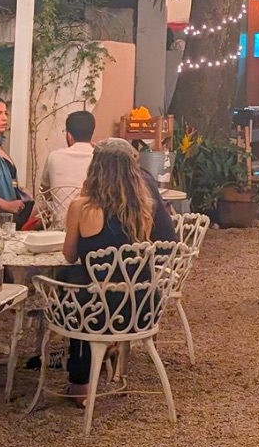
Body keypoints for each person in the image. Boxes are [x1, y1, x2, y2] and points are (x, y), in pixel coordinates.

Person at [56, 137, 175, 403]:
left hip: (97, 312)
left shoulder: (81, 206)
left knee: (73, 283)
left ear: (95, 169)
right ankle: (110, 349)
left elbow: (69, 255)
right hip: (141, 307)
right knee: (88, 287)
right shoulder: (146, 207)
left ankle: (80, 384)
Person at [38, 110, 97, 229]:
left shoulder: (54, 157)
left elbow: (45, 193)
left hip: (59, 228)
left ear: (69, 136)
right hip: (92, 227)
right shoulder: (99, 158)